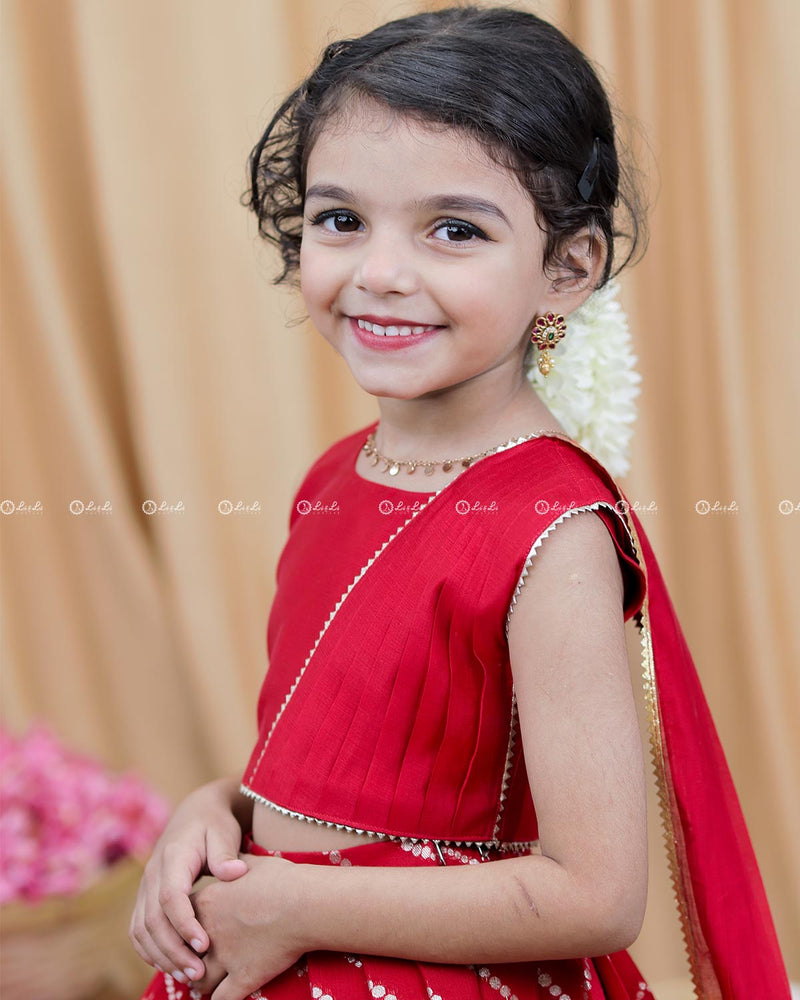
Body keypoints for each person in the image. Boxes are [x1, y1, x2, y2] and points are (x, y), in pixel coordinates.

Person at [129, 8, 789, 1000]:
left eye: (453, 230)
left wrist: (298, 903)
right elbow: (333, 765)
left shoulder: (550, 528)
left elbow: (595, 893)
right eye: (339, 219)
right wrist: (215, 808)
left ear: (563, 270)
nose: (380, 274)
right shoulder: (332, 480)